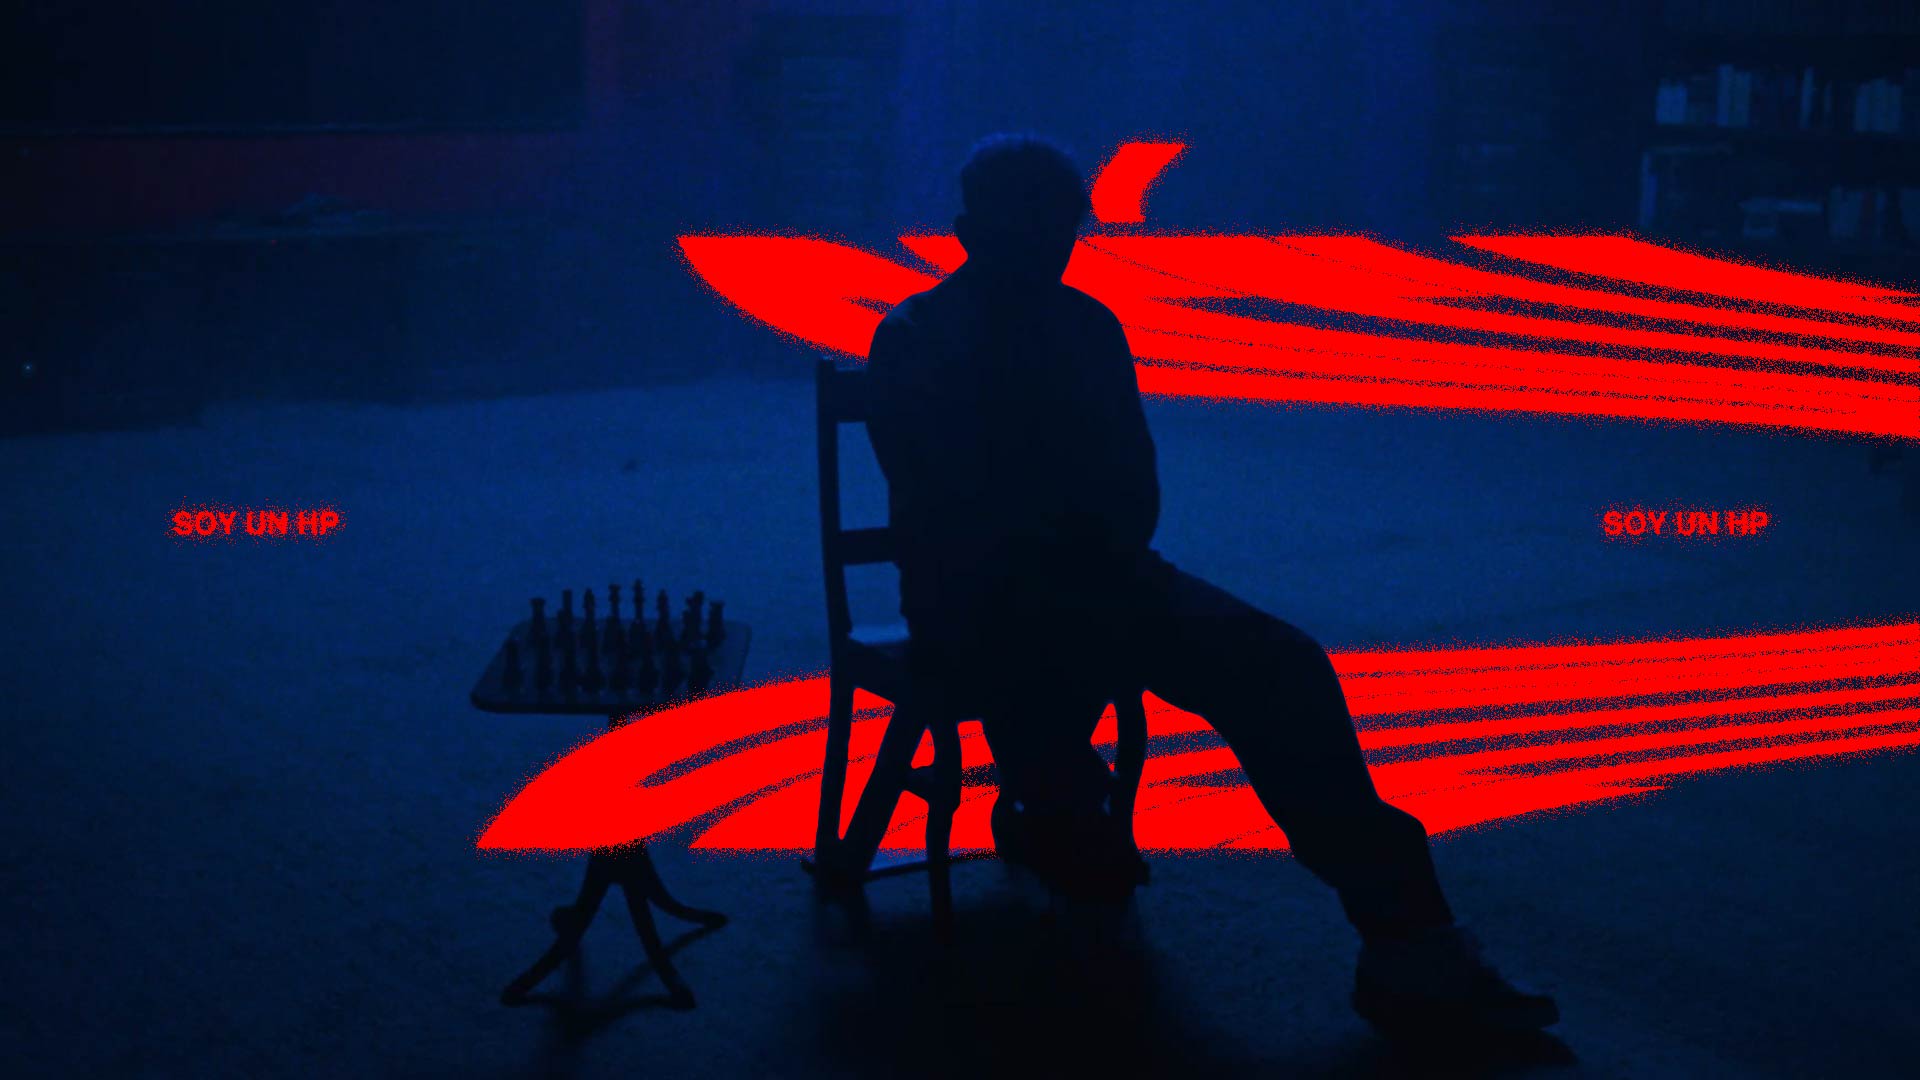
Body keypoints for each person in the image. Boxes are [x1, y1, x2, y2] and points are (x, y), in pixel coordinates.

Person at [861, 132, 1558, 1036]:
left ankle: (1408, 939)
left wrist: (1086, 551)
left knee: (1283, 666)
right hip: (990, 599)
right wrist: (1079, 548)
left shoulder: (1058, 328)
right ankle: (1074, 833)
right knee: (1075, 704)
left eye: (1057, 234)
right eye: (1033, 234)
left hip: (1085, 582)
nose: (1048, 253)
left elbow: (1125, 492)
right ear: (971, 235)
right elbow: (961, 512)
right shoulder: (931, 337)